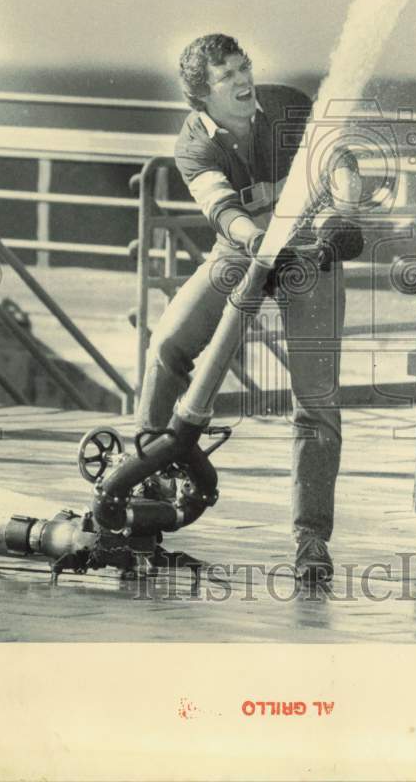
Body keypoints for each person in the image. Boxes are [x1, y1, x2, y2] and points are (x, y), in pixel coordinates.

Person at [137, 33, 363, 583]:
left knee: (316, 400)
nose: (243, 81)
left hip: (310, 255)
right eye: (226, 77)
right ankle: (148, 484)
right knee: (169, 344)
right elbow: (226, 216)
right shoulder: (193, 142)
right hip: (241, 251)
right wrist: (262, 247)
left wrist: (340, 216)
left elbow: (341, 163)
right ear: (200, 96)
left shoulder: (288, 105)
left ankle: (311, 541)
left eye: (243, 68)